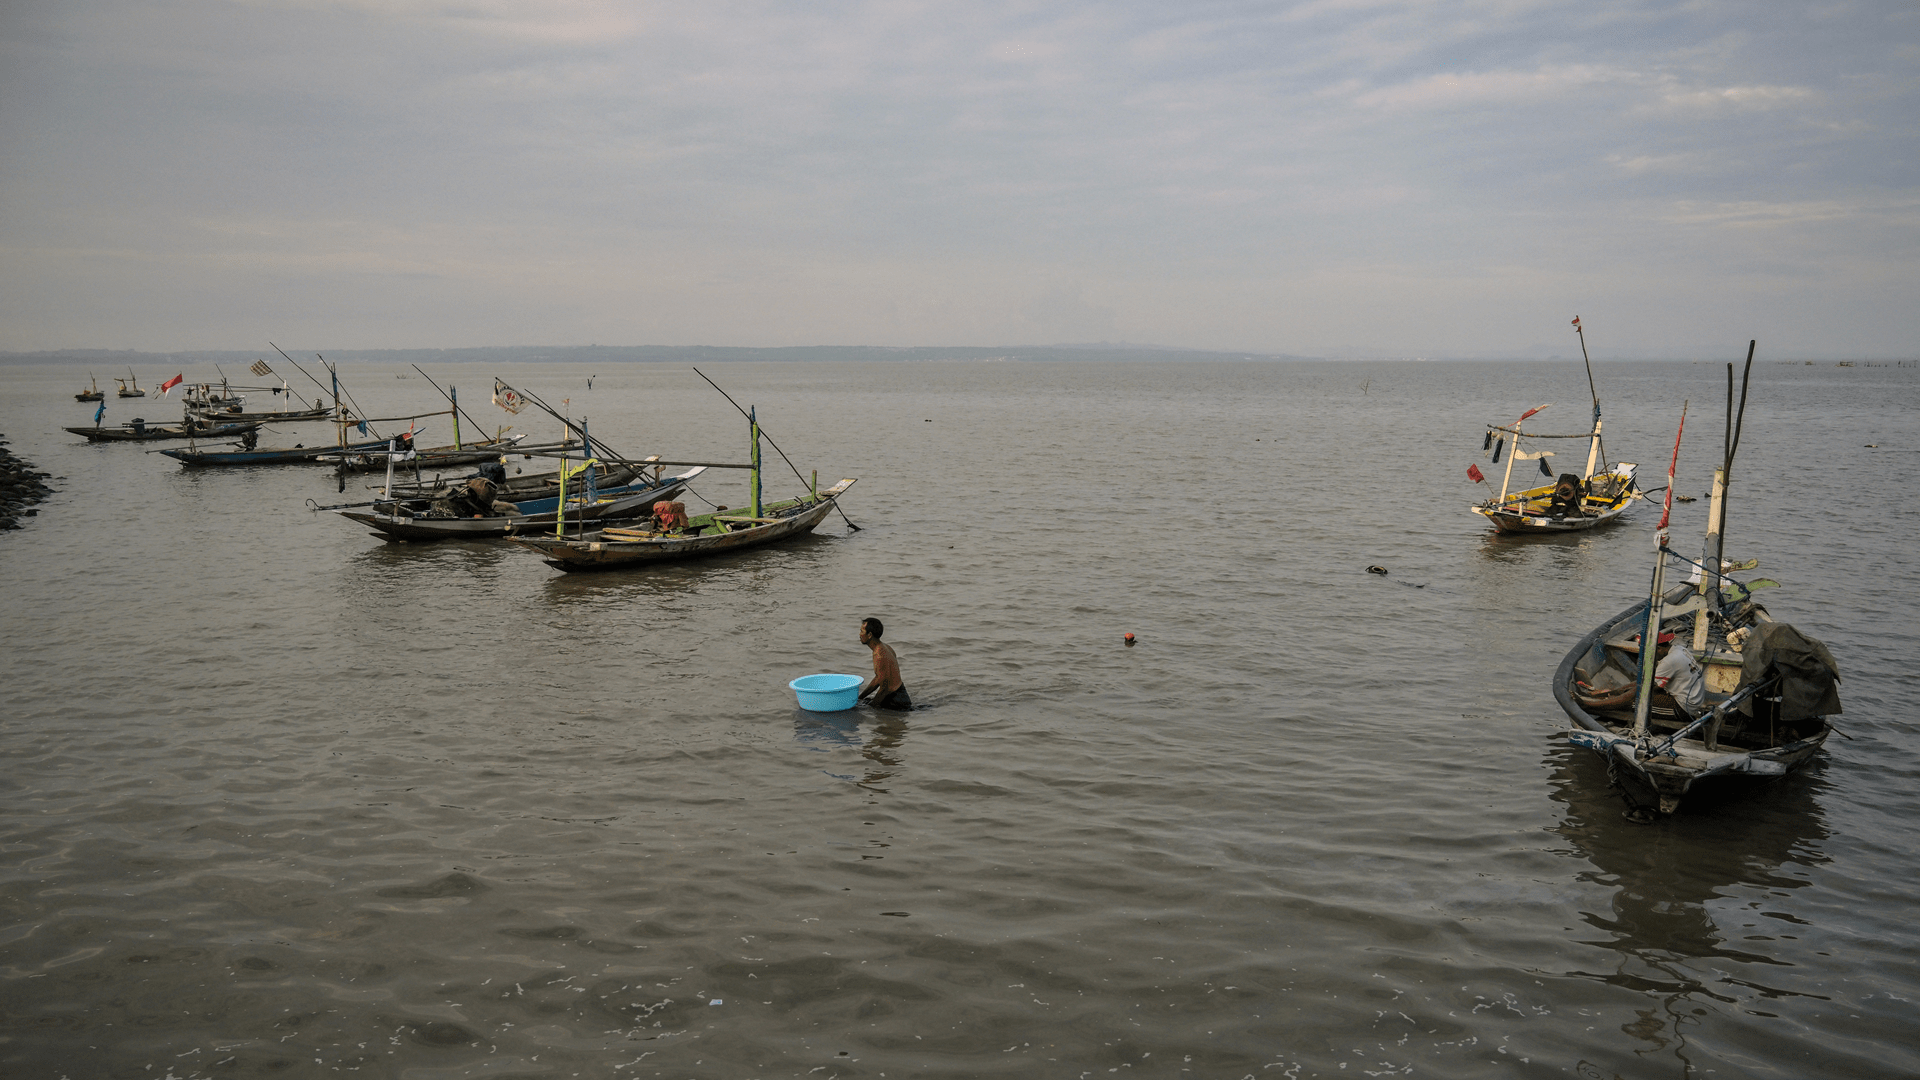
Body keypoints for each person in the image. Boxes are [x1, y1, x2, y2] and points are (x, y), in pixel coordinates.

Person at [857, 617, 912, 710]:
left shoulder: (879, 654)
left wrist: (873, 707)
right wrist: (860, 698)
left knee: (862, 710)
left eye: (862, 631)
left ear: (869, 635)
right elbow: (879, 678)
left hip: (895, 700)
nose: (859, 634)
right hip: (900, 694)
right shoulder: (885, 647)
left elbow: (885, 688)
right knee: (864, 702)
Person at [1653, 632, 1706, 718]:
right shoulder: (1679, 649)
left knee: (1637, 702)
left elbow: (1648, 688)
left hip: (1684, 707)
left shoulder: (1668, 661)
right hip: (1696, 699)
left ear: (1659, 648)